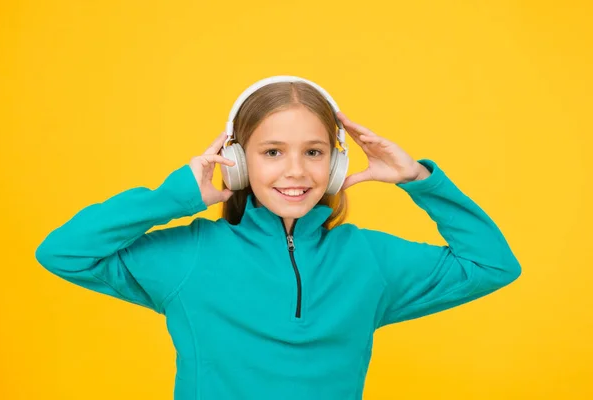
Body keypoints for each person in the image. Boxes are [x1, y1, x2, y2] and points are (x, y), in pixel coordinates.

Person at [35, 76, 521, 399]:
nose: (295, 171)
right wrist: (175, 196)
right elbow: (63, 252)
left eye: (313, 152)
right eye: (271, 152)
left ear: (335, 164)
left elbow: (492, 266)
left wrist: (419, 179)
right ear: (239, 160)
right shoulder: (191, 254)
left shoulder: (368, 258)